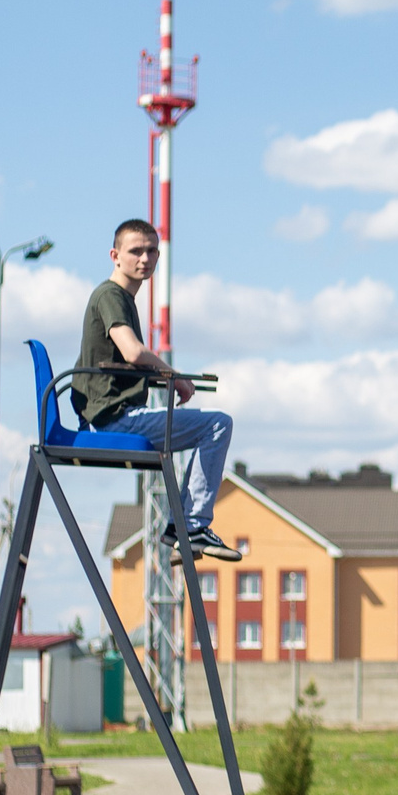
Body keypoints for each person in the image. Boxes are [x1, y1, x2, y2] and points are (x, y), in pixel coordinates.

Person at [75, 218, 241, 562]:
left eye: (152, 251)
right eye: (136, 251)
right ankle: (190, 525)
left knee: (213, 424)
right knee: (217, 424)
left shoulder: (122, 299)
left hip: (111, 414)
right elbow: (133, 352)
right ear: (115, 255)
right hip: (112, 419)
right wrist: (175, 376)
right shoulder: (111, 295)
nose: (145, 258)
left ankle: (183, 526)